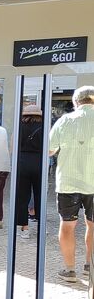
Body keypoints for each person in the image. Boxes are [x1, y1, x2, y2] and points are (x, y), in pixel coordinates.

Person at [49, 86, 94, 282]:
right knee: (92, 225)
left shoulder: (64, 120)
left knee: (67, 225)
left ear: (76, 102)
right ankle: (89, 266)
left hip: (68, 182)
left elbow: (50, 149)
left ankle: (70, 270)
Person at [15, 104, 44, 239]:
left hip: (22, 162)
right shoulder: (43, 127)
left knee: (22, 196)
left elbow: (12, 147)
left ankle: (24, 228)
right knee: (40, 195)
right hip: (39, 162)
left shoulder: (19, 127)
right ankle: (40, 226)